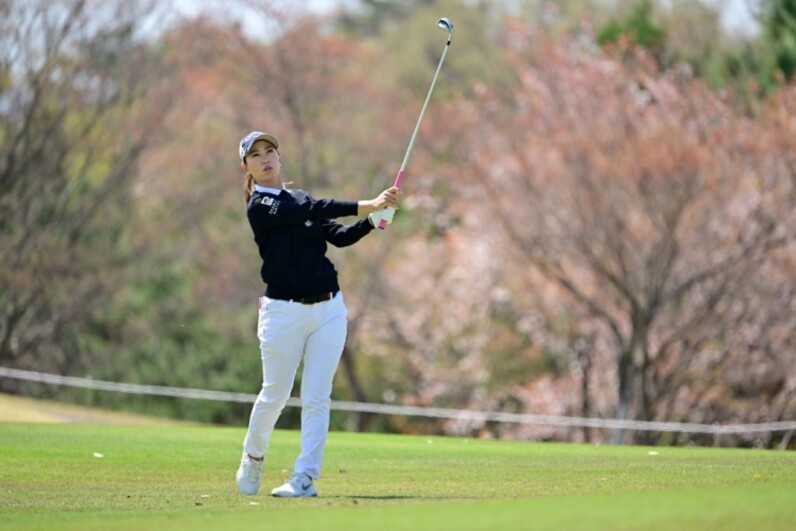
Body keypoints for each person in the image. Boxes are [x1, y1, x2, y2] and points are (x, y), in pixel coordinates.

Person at [234, 131, 399, 497]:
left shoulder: (300, 198)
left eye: (270, 151)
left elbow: (337, 236)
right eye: (256, 155)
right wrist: (368, 203)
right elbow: (310, 211)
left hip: (328, 309)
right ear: (246, 166)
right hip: (282, 313)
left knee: (316, 396)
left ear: (280, 157)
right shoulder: (260, 207)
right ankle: (253, 457)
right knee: (274, 395)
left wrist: (373, 221)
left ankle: (304, 478)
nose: (265, 158)